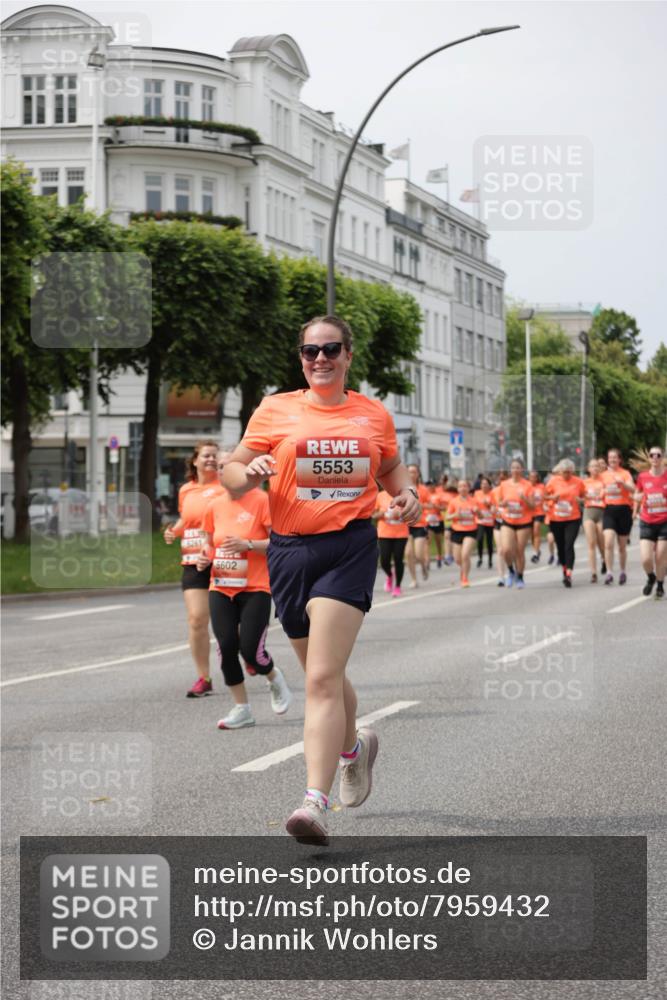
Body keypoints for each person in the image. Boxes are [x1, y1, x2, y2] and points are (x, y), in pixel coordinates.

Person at [222, 315, 421, 845]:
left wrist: (408, 497)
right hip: (289, 552)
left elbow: (393, 472)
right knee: (321, 674)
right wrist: (250, 473)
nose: (320, 359)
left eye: (331, 349)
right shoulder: (275, 409)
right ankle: (355, 748)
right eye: (310, 352)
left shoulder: (371, 414)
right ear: (301, 359)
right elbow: (231, 474)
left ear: (348, 356)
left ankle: (314, 801)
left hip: (349, 547)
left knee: (320, 680)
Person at [197, 452, 292, 729]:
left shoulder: (263, 501)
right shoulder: (213, 505)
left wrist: (248, 545)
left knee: (251, 651)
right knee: (226, 647)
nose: (223, 471)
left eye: (229, 466)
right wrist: (205, 556)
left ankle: (273, 676)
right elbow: (208, 542)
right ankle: (242, 708)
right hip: (221, 585)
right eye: (221, 467)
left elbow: (280, 543)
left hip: (256, 587)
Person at [164, 440, 224, 697]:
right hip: (192, 560)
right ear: (196, 461)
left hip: (223, 559)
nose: (210, 460)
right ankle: (204, 677)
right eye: (206, 456)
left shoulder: (225, 487)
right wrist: (173, 531)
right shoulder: (186, 490)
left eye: (214, 456)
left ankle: (250, 652)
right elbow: (187, 519)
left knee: (231, 622)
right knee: (197, 619)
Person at [543, 459, 586, 587]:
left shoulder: (578, 482)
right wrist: (552, 498)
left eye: (568, 472)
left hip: (573, 518)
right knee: (561, 546)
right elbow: (544, 496)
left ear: (572, 471)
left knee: (569, 545)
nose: (566, 475)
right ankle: (564, 568)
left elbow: (585, 497)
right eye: (564, 472)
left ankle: (569, 573)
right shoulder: (553, 481)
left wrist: (580, 500)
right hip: (556, 519)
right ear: (560, 471)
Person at [495, 459, 535, 588]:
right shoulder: (504, 485)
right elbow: (500, 503)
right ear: (510, 470)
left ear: (522, 470)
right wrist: (503, 504)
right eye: (513, 468)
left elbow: (533, 506)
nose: (515, 470)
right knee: (506, 549)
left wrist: (524, 498)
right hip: (508, 520)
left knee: (519, 550)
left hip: (524, 521)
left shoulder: (528, 485)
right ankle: (511, 571)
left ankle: (520, 577)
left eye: (518, 468)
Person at [633, 446, 667, 599]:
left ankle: (660, 585)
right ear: (649, 458)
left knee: (660, 556)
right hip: (647, 520)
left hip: (665, 522)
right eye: (652, 455)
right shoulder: (642, 477)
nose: (655, 457)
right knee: (646, 559)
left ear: (662, 458)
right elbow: (637, 493)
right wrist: (637, 498)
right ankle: (651, 577)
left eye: (658, 455)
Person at [600, 448, 635, 584]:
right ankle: (609, 573)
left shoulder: (625, 473)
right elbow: (599, 490)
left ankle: (622, 571)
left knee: (621, 546)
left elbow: (633, 489)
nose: (612, 460)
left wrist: (623, 483)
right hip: (609, 510)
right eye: (610, 458)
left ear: (620, 459)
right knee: (608, 542)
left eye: (615, 457)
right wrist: (601, 491)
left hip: (624, 511)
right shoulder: (603, 475)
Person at [374, 489, 409, 597]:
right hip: (384, 533)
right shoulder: (380, 495)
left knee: (398, 559)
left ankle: (398, 586)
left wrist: (401, 514)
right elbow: (373, 515)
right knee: (384, 560)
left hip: (401, 533)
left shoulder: (405, 495)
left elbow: (413, 514)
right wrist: (383, 514)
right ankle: (389, 575)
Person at [446, 479, 478, 587]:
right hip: (457, 531)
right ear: (458, 489)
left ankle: (465, 578)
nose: (463, 488)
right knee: (458, 559)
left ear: (468, 488)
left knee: (465, 555)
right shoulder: (453, 501)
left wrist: (477, 511)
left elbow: (481, 516)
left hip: (471, 530)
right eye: (460, 486)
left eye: (465, 486)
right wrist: (455, 515)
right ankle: (463, 568)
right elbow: (447, 517)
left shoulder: (474, 501)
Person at [404, 465, 431, 588]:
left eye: (414, 472)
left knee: (419, 554)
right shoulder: (402, 488)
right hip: (406, 525)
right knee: (409, 553)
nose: (411, 474)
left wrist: (419, 505)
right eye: (409, 472)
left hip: (420, 524)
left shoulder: (423, 490)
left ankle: (424, 566)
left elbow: (431, 505)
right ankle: (414, 579)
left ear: (418, 474)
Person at [582, 458, 607, 582]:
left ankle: (604, 559)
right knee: (591, 543)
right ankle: (593, 573)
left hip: (601, 513)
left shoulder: (604, 481)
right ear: (588, 469)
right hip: (589, 513)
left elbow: (607, 493)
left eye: (597, 466)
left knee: (602, 543)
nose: (595, 469)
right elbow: (579, 497)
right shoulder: (584, 482)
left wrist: (603, 493)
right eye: (592, 466)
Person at [424, 480, 446, 568]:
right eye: (428, 485)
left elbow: (444, 508)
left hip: (438, 520)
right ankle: (427, 561)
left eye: (431, 485)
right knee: (427, 541)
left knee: (438, 541)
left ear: (434, 486)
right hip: (428, 520)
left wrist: (437, 507)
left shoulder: (439, 495)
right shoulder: (425, 496)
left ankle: (439, 557)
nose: (429, 487)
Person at [492, 470, 509, 585]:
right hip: (498, 522)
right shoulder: (494, 491)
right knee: (500, 550)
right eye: (500, 478)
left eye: (504, 478)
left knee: (509, 550)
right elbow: (492, 505)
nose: (501, 479)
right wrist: (493, 509)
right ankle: (501, 577)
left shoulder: (512, 490)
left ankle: (512, 571)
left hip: (511, 522)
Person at [474, 475, 495, 569]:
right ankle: (480, 558)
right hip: (480, 520)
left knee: (489, 541)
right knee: (480, 539)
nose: (484, 486)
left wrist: (489, 505)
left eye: (486, 484)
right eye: (482, 484)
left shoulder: (493, 494)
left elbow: (495, 507)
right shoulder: (477, 493)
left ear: (489, 486)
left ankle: (490, 560)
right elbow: (474, 505)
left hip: (490, 521)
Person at [528, 471, 546, 563]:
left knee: (536, 531)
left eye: (535, 477)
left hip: (539, 512)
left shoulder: (541, 487)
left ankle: (535, 553)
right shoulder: (526, 487)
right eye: (531, 477)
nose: (533, 478)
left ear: (537, 478)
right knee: (532, 535)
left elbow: (545, 497)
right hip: (528, 514)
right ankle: (537, 550)